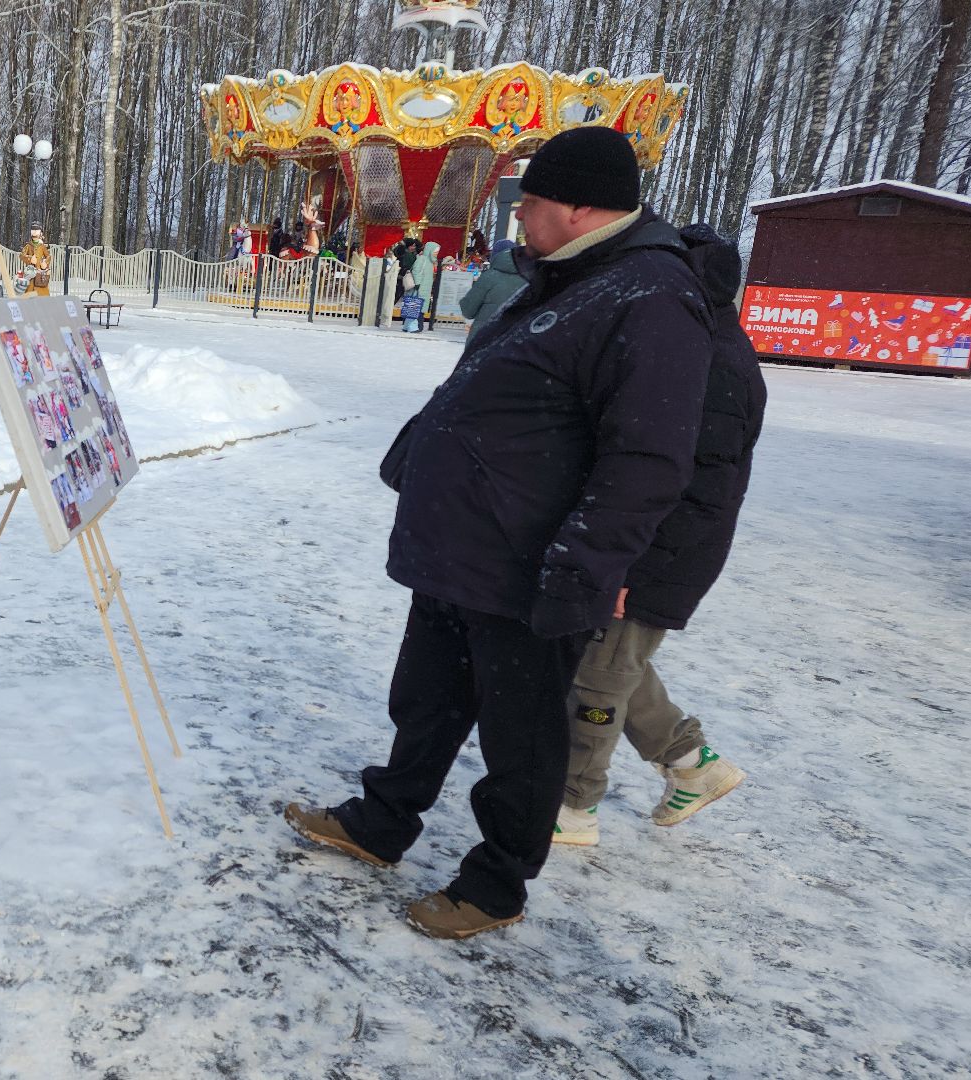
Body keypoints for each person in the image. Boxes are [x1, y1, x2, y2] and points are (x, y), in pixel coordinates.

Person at [282, 126, 712, 940]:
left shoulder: (648, 296)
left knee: (521, 740)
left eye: (534, 202)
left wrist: (582, 564)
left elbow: (649, 456)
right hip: (467, 546)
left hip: (531, 562)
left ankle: (494, 886)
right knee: (427, 703)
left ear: (582, 207)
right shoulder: (570, 276)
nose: (518, 218)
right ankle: (381, 824)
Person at [553, 222, 766, 845]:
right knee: (616, 664)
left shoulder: (715, 366)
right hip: (645, 547)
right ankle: (692, 763)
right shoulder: (697, 347)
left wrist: (629, 567)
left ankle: (573, 806)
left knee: (598, 676)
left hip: (657, 555)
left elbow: (701, 489)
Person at [460, 239, 525, 340]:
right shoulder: (526, 279)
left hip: (483, 336)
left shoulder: (489, 277)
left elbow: (468, 310)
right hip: (512, 340)